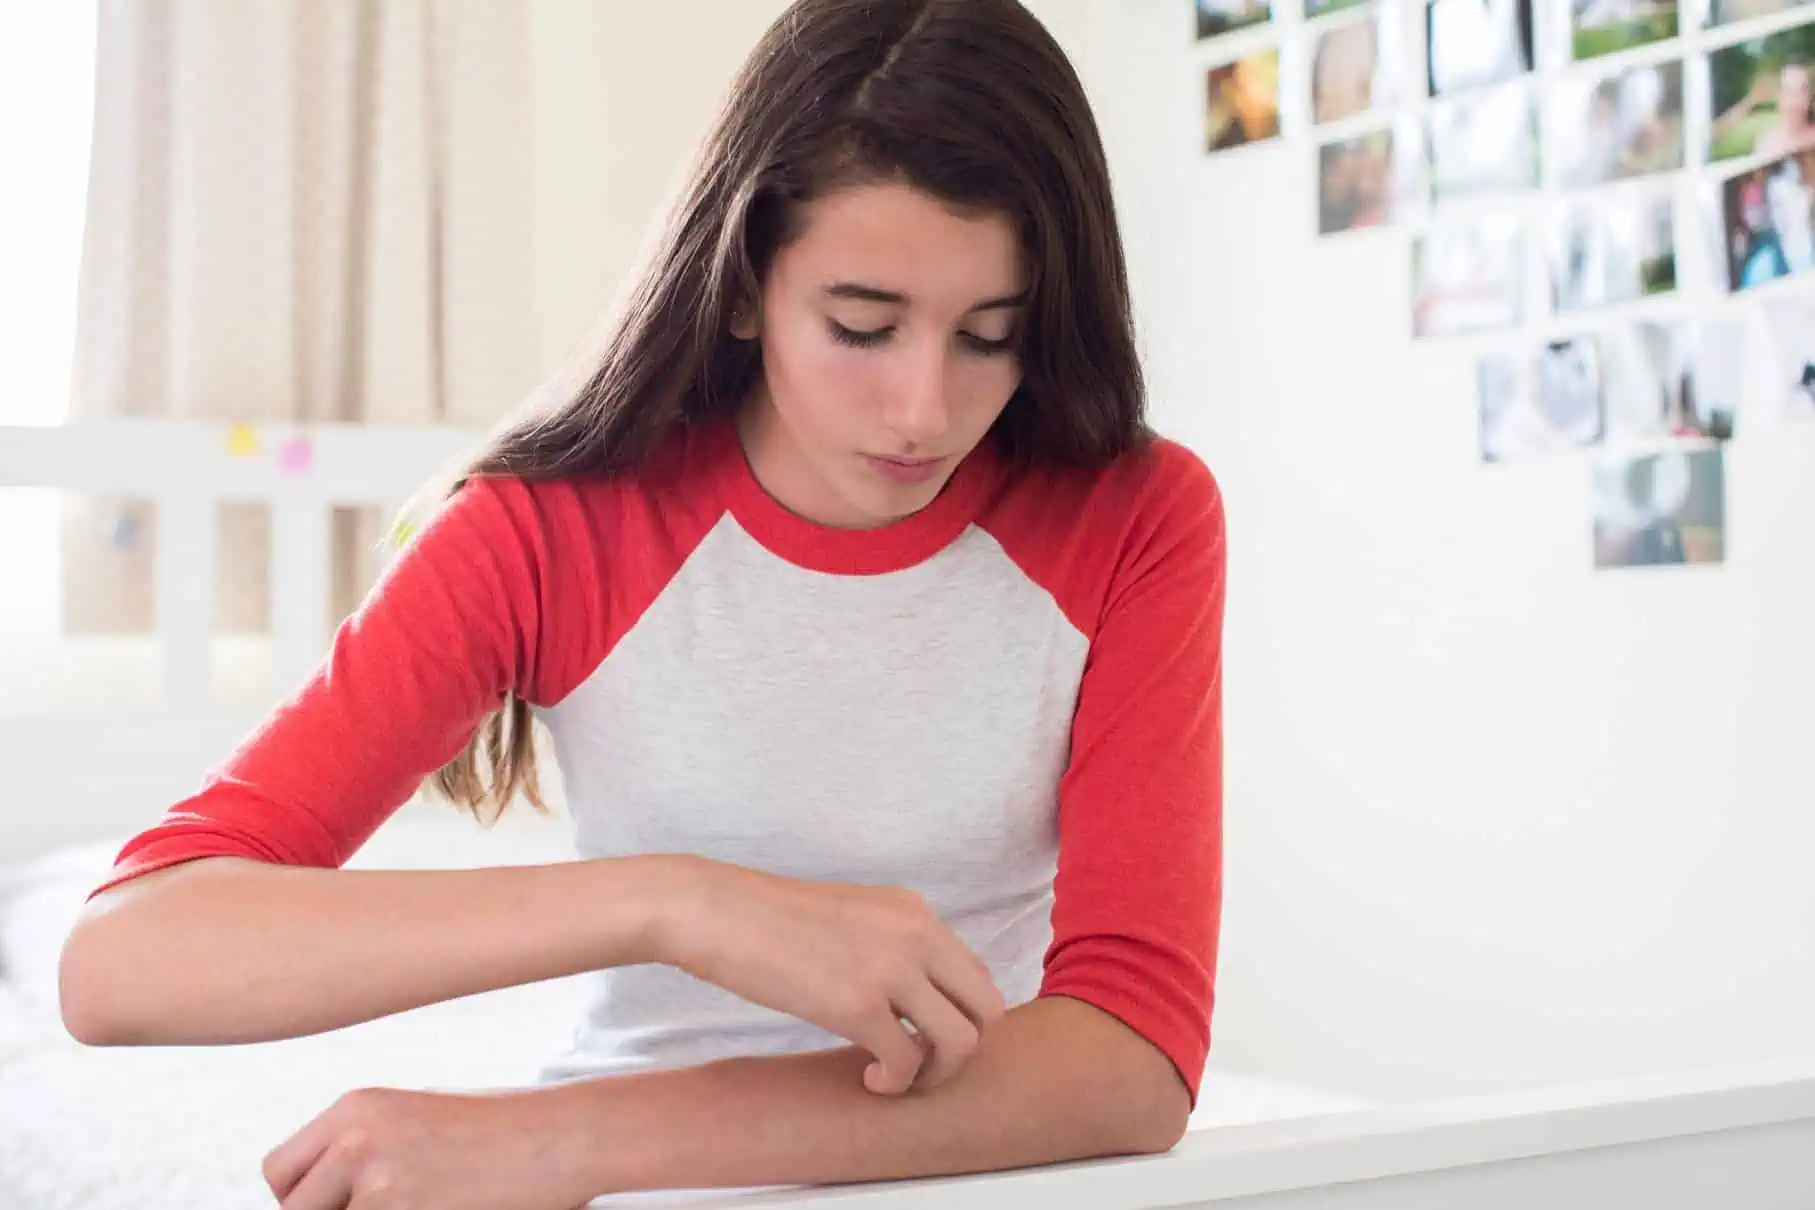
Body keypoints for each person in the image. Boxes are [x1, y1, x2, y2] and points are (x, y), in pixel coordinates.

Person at [55, 2, 1227, 1208]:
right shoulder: (551, 531)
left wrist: (559, 1141)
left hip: (981, 1173)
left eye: (990, 336)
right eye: (861, 327)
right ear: (742, 287)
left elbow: (1131, 1055)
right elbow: (122, 960)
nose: (924, 409)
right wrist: (673, 904)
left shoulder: (1134, 514)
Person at [1710, 58, 1815, 160]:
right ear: (1778, 96)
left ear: (1810, 95)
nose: (1794, 101)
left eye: (1802, 91)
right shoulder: (1766, 143)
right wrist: (1750, 101)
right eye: (1788, 91)